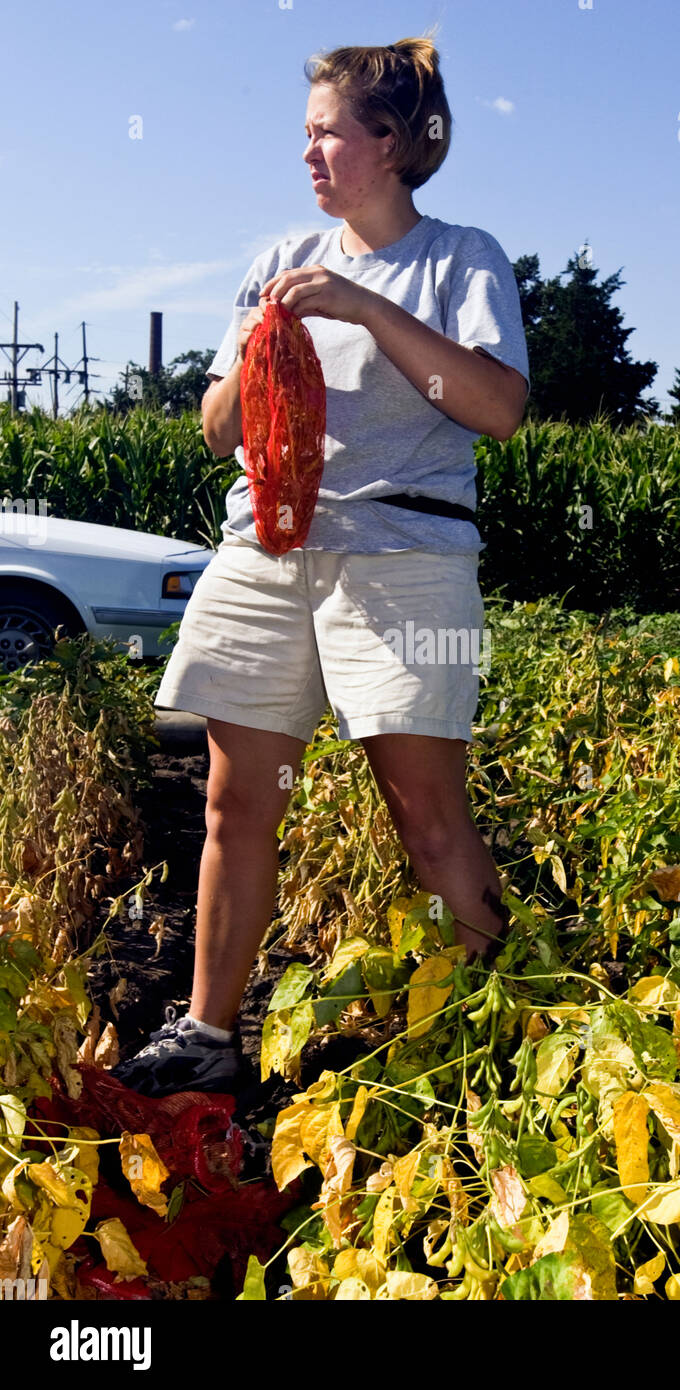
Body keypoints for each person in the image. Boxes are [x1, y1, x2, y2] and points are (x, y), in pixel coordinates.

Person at [112, 32, 530, 1098]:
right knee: (233, 800)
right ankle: (209, 1031)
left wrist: (365, 310)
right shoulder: (276, 259)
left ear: (389, 143)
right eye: (304, 134)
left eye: (328, 132)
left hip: (401, 553)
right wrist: (257, 343)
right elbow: (216, 430)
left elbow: (495, 409)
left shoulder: (457, 259)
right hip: (265, 547)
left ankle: (507, 1036)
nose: (308, 154)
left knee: (427, 816)